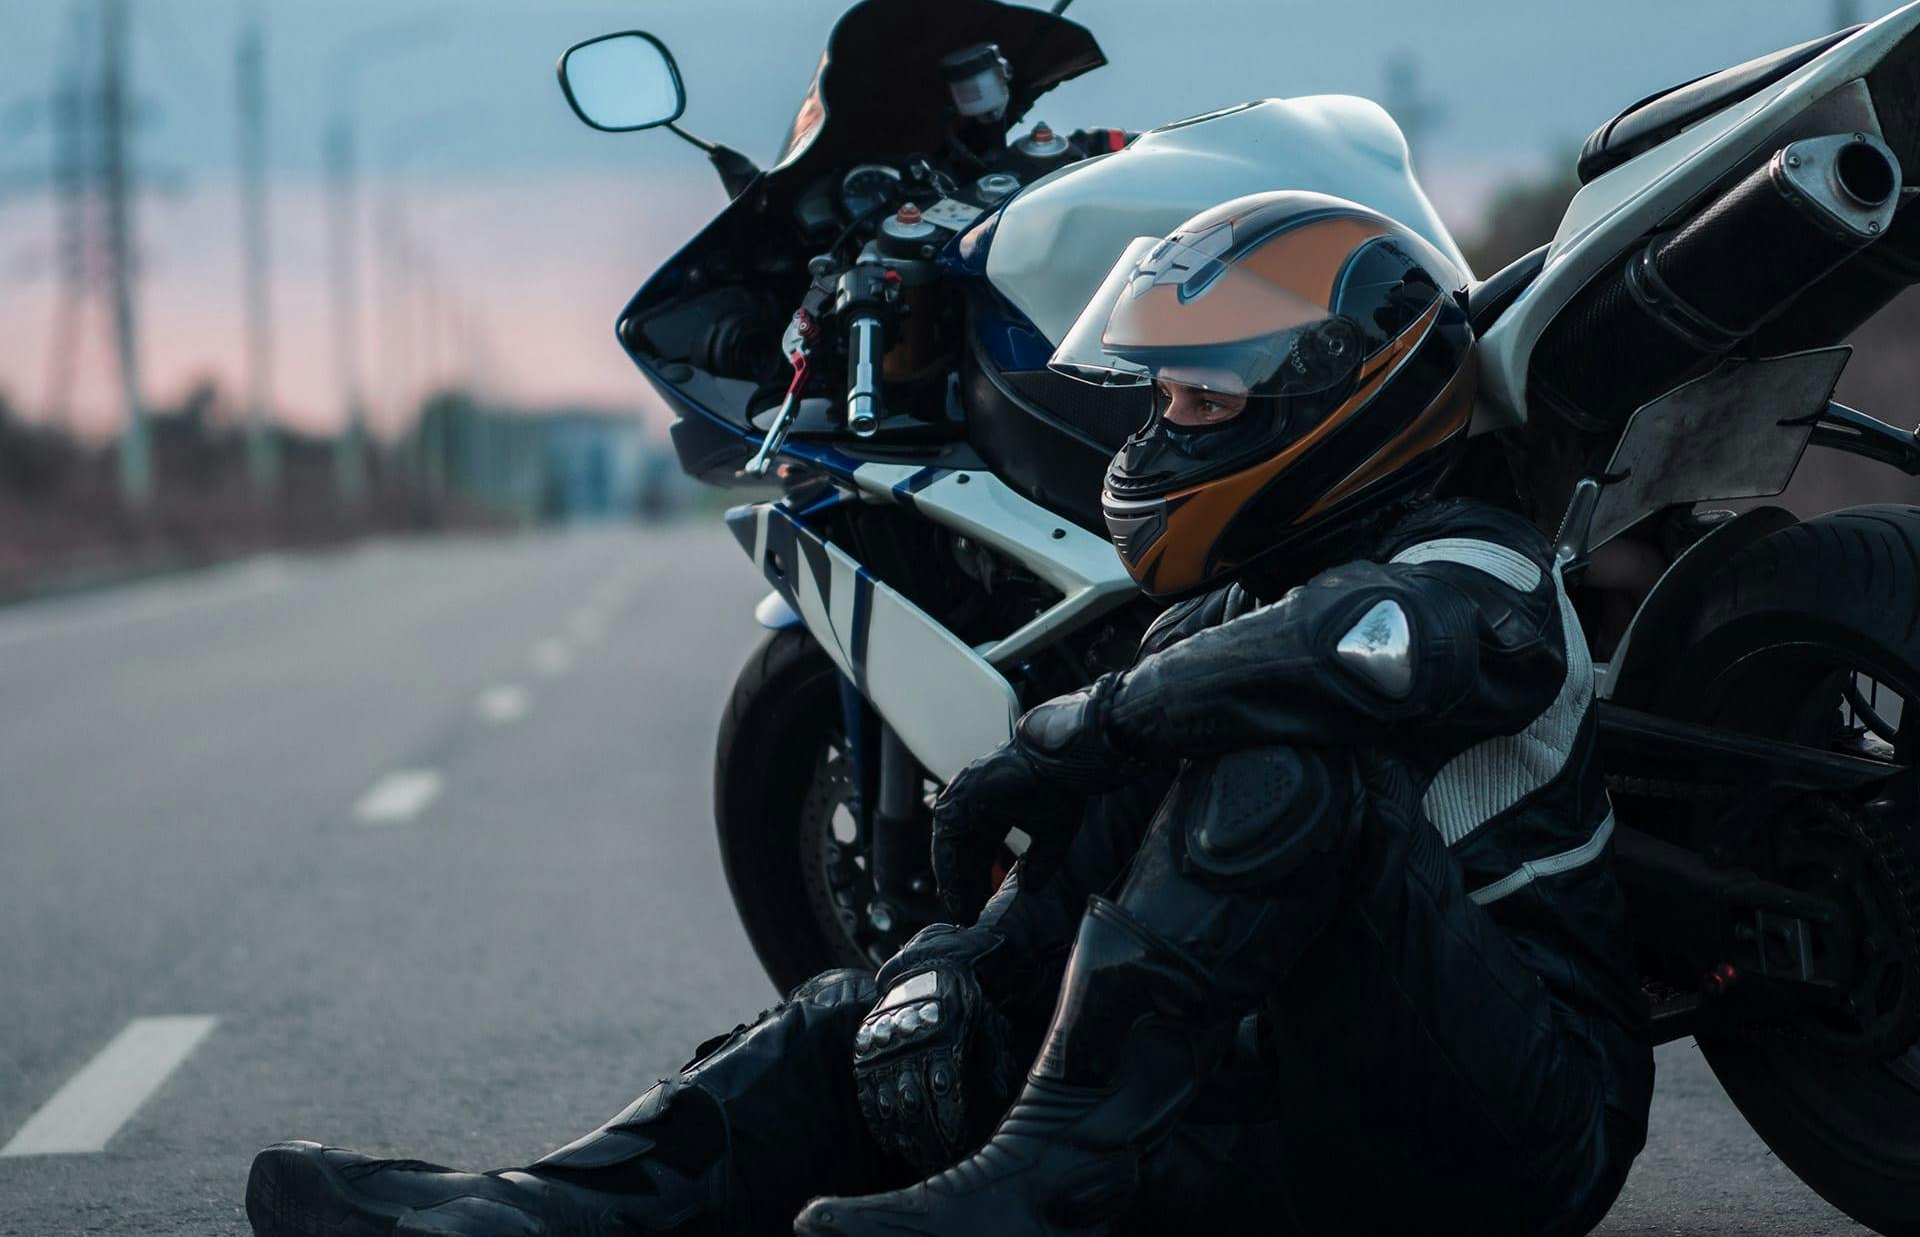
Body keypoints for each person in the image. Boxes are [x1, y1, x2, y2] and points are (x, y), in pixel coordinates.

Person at [245, 192, 1653, 1237]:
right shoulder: (1225, 618)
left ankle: (1039, 1190)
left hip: (1518, 1133)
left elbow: (1380, 657)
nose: (1162, 426)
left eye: (1198, 394)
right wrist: (950, 977)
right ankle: (529, 1211)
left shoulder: (1468, 563)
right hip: (1308, 1114)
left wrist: (1077, 724)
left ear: (1335, 397)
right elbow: (1094, 896)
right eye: (1158, 387)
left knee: (1287, 756)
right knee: (864, 1021)